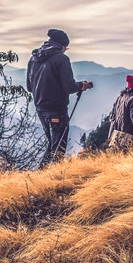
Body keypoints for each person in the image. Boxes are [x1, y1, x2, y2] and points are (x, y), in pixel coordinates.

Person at [26, 28, 93, 166]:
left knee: (52, 145)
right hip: (56, 109)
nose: (65, 50)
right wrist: (81, 85)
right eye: (66, 48)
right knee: (58, 148)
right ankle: (52, 179)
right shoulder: (61, 59)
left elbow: (29, 87)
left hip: (40, 108)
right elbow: (68, 87)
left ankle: (41, 176)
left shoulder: (33, 58)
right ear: (62, 46)